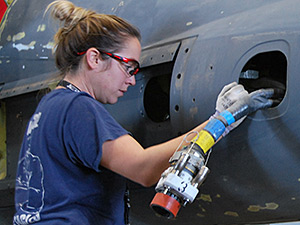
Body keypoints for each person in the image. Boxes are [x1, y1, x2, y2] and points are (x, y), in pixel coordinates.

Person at [13, 1, 276, 224]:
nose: (130, 80)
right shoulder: (78, 108)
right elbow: (144, 169)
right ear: (94, 59)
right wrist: (223, 120)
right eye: (128, 67)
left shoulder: (51, 106)